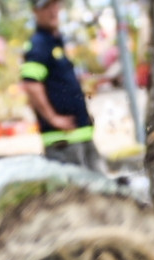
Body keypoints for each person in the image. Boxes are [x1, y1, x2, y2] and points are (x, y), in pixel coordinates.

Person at [21, 0, 101, 172]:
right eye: (47, 7)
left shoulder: (55, 40)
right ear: (35, 11)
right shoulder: (39, 44)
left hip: (79, 136)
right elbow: (31, 85)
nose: (53, 11)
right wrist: (53, 118)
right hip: (63, 142)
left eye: (55, 5)